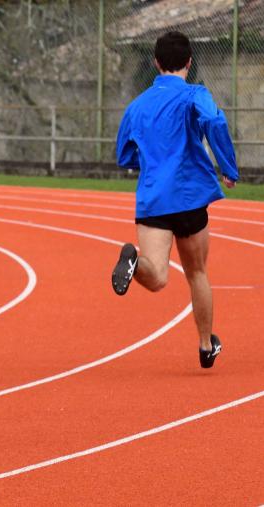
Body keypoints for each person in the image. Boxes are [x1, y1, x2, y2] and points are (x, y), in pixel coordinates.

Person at [112, 31, 239, 369]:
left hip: (154, 197)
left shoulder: (137, 105)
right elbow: (213, 119)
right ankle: (205, 345)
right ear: (189, 62)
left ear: (156, 62)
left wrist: (150, 160)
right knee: (197, 272)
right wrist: (227, 167)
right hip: (189, 196)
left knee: (156, 276)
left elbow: (124, 155)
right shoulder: (194, 94)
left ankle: (133, 261)